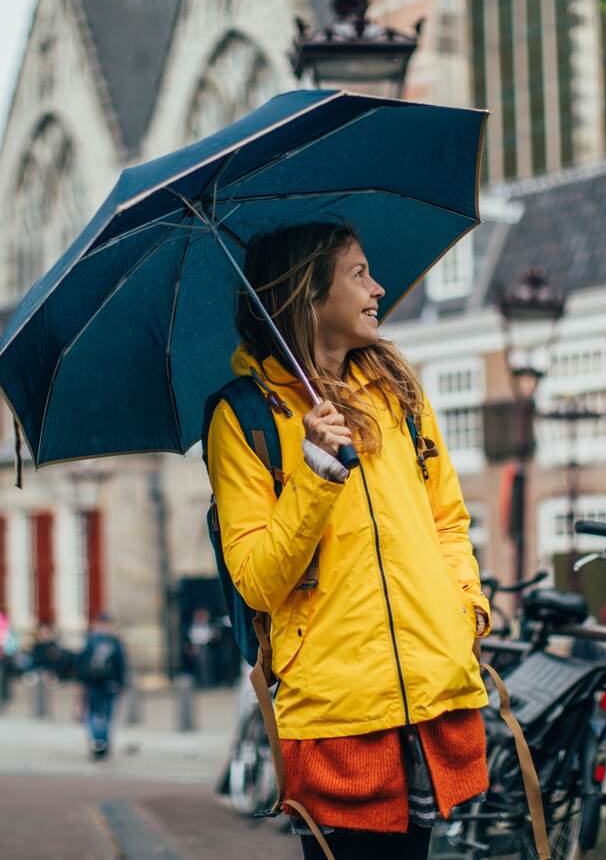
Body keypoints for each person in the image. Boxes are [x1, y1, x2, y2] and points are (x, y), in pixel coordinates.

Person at [205, 222, 492, 859]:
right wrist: (315, 470)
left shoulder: (399, 391)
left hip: (428, 698)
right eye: (358, 274)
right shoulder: (243, 417)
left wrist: (466, 610)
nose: (377, 288)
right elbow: (257, 578)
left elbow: (447, 519)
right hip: (337, 716)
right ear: (309, 295)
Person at [77, 613, 128, 761]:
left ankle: (97, 742)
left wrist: (83, 682)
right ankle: (103, 743)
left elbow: (81, 662)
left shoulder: (91, 641)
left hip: (94, 683)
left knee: (94, 714)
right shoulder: (115, 642)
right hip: (110, 683)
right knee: (107, 715)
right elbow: (121, 664)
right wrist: (121, 683)